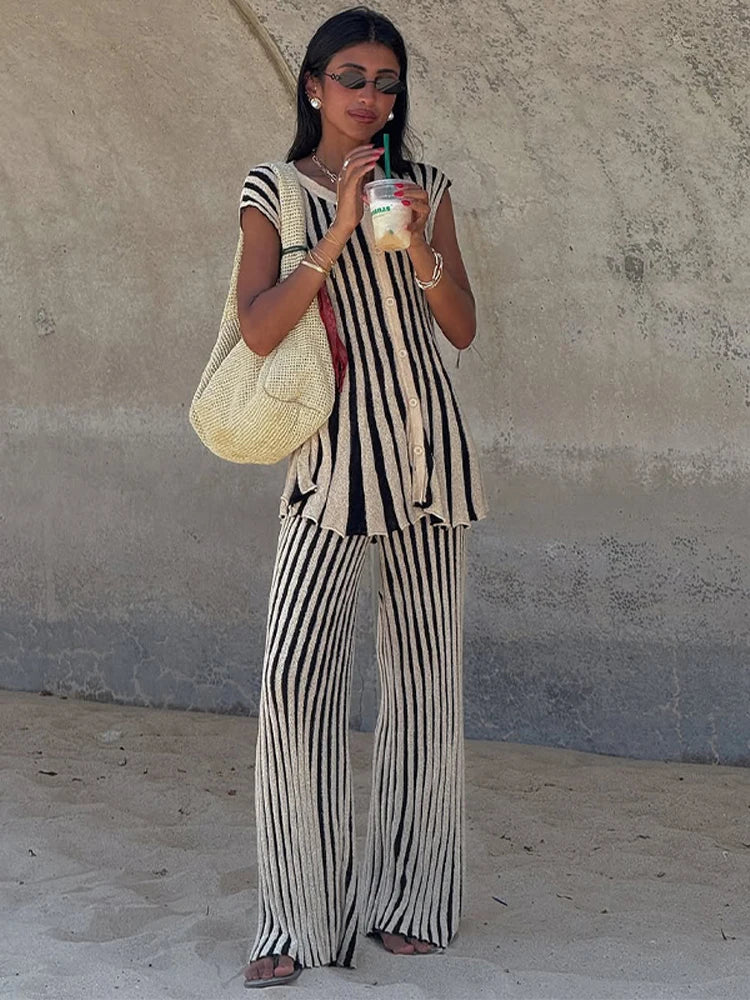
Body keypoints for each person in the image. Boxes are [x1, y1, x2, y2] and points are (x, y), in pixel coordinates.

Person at [236, 5, 488, 989]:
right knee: (296, 687)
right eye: (353, 78)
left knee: (424, 686)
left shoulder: (424, 186)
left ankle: (414, 900)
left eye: (387, 83)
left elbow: (461, 326)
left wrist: (418, 247)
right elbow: (259, 332)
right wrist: (335, 232)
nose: (372, 98)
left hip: (427, 457)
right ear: (311, 85)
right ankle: (293, 921)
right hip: (328, 469)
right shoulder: (272, 189)